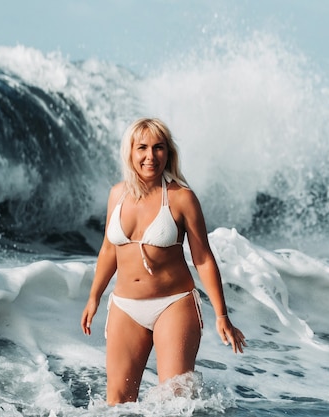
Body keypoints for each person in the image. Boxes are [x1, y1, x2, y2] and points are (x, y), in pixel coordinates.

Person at [80, 117, 246, 405]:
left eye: (158, 148)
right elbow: (109, 250)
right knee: (117, 402)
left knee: (174, 403)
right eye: (142, 147)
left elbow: (203, 258)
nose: (150, 156)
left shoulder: (182, 198)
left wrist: (222, 316)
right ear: (130, 151)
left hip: (173, 303)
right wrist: (94, 297)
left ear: (168, 153)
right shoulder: (117, 194)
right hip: (125, 306)